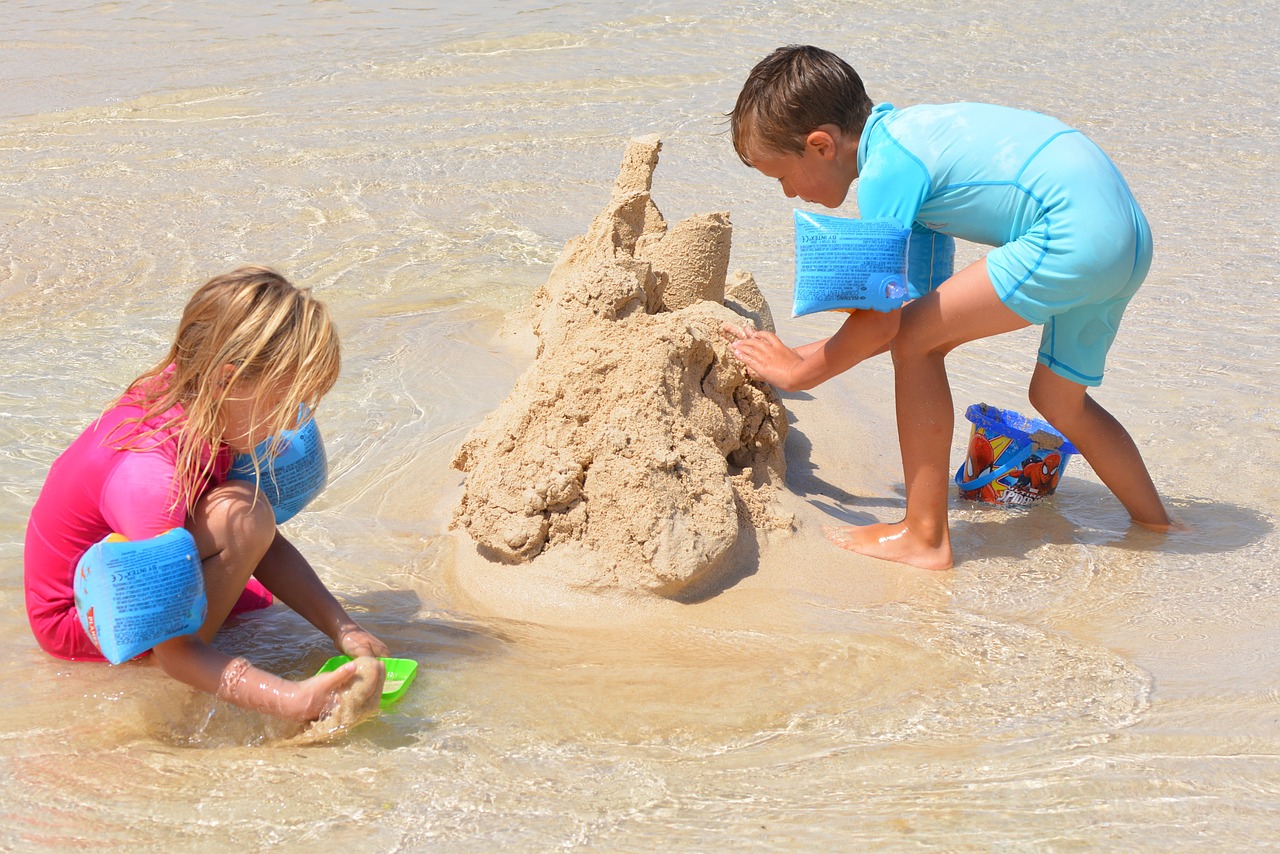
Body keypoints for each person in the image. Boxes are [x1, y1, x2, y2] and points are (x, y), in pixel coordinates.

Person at [722, 45, 1173, 570]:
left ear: (821, 145)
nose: (786, 194)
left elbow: (893, 327)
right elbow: (903, 312)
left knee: (918, 343)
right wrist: (801, 354)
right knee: (1058, 397)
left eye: (782, 177)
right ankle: (1158, 524)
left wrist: (799, 374)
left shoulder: (887, 173)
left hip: (1072, 233)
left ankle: (924, 535)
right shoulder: (912, 139)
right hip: (1126, 239)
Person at [24, 265, 388, 720]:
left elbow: (264, 542)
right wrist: (290, 698)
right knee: (243, 515)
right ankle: (172, 673)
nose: (292, 423)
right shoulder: (150, 481)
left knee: (249, 526)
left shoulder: (198, 396)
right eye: (283, 401)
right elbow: (175, 653)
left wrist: (345, 630)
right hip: (89, 616)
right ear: (226, 379)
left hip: (140, 559)